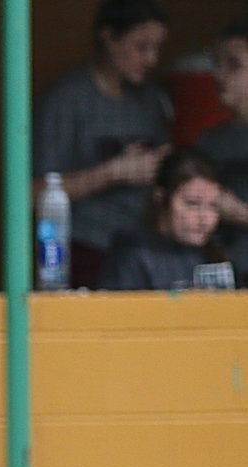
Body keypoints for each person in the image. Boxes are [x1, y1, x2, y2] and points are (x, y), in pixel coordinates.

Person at [33, 0, 172, 288]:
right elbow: (35, 192)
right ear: (108, 38)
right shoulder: (68, 99)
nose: (151, 59)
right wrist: (114, 172)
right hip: (86, 247)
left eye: (157, 48)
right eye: (141, 47)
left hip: (147, 247)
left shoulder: (151, 100)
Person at [99, 148, 230, 288]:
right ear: (161, 198)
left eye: (213, 205)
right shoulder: (133, 252)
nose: (205, 218)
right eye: (192, 203)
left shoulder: (215, 254)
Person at [195, 22, 248, 284]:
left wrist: (240, 213)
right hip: (222, 278)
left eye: (233, 65)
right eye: (216, 63)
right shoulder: (210, 142)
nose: (218, 74)